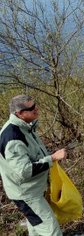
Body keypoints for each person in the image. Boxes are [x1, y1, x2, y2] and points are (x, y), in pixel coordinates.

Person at [0, 95, 67, 236]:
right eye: (31, 108)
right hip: (26, 194)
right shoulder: (13, 137)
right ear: (19, 113)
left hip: (33, 189)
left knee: (36, 225)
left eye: (35, 105)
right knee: (51, 230)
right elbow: (24, 171)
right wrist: (52, 158)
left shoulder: (25, 127)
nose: (36, 109)